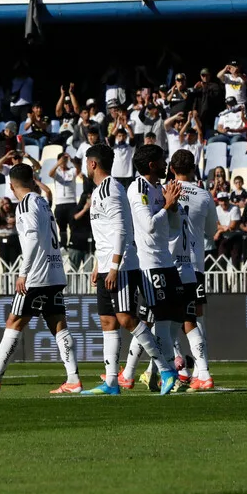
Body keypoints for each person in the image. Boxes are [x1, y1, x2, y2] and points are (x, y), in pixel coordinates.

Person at [0, 163, 82, 395]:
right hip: (55, 271)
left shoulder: (26, 204)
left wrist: (23, 272)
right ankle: (73, 379)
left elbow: (30, 239)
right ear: (33, 179)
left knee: (14, 322)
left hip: (36, 275)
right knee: (58, 325)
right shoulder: (42, 201)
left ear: (11, 186)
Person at [78, 144, 172, 396]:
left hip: (122, 266)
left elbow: (121, 229)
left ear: (93, 164)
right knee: (108, 321)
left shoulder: (113, 189)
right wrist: (100, 263)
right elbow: (105, 235)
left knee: (126, 319)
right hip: (108, 264)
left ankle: (166, 369)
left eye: (86, 162)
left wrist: (114, 266)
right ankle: (111, 383)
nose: (85, 166)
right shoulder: (98, 191)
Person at [118, 144, 184, 395]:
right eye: (162, 159)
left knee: (174, 319)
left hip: (166, 262)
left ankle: (152, 375)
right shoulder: (138, 188)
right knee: (162, 324)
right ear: (151, 164)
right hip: (150, 265)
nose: (166, 162)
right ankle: (170, 375)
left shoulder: (158, 188)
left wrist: (173, 206)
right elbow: (148, 226)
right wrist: (166, 207)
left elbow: (174, 227)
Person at [170, 148, 219, 390]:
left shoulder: (165, 191)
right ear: (193, 169)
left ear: (171, 169)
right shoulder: (204, 195)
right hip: (195, 263)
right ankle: (201, 369)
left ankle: (183, 369)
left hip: (169, 263)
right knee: (195, 317)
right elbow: (212, 231)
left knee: (168, 316)